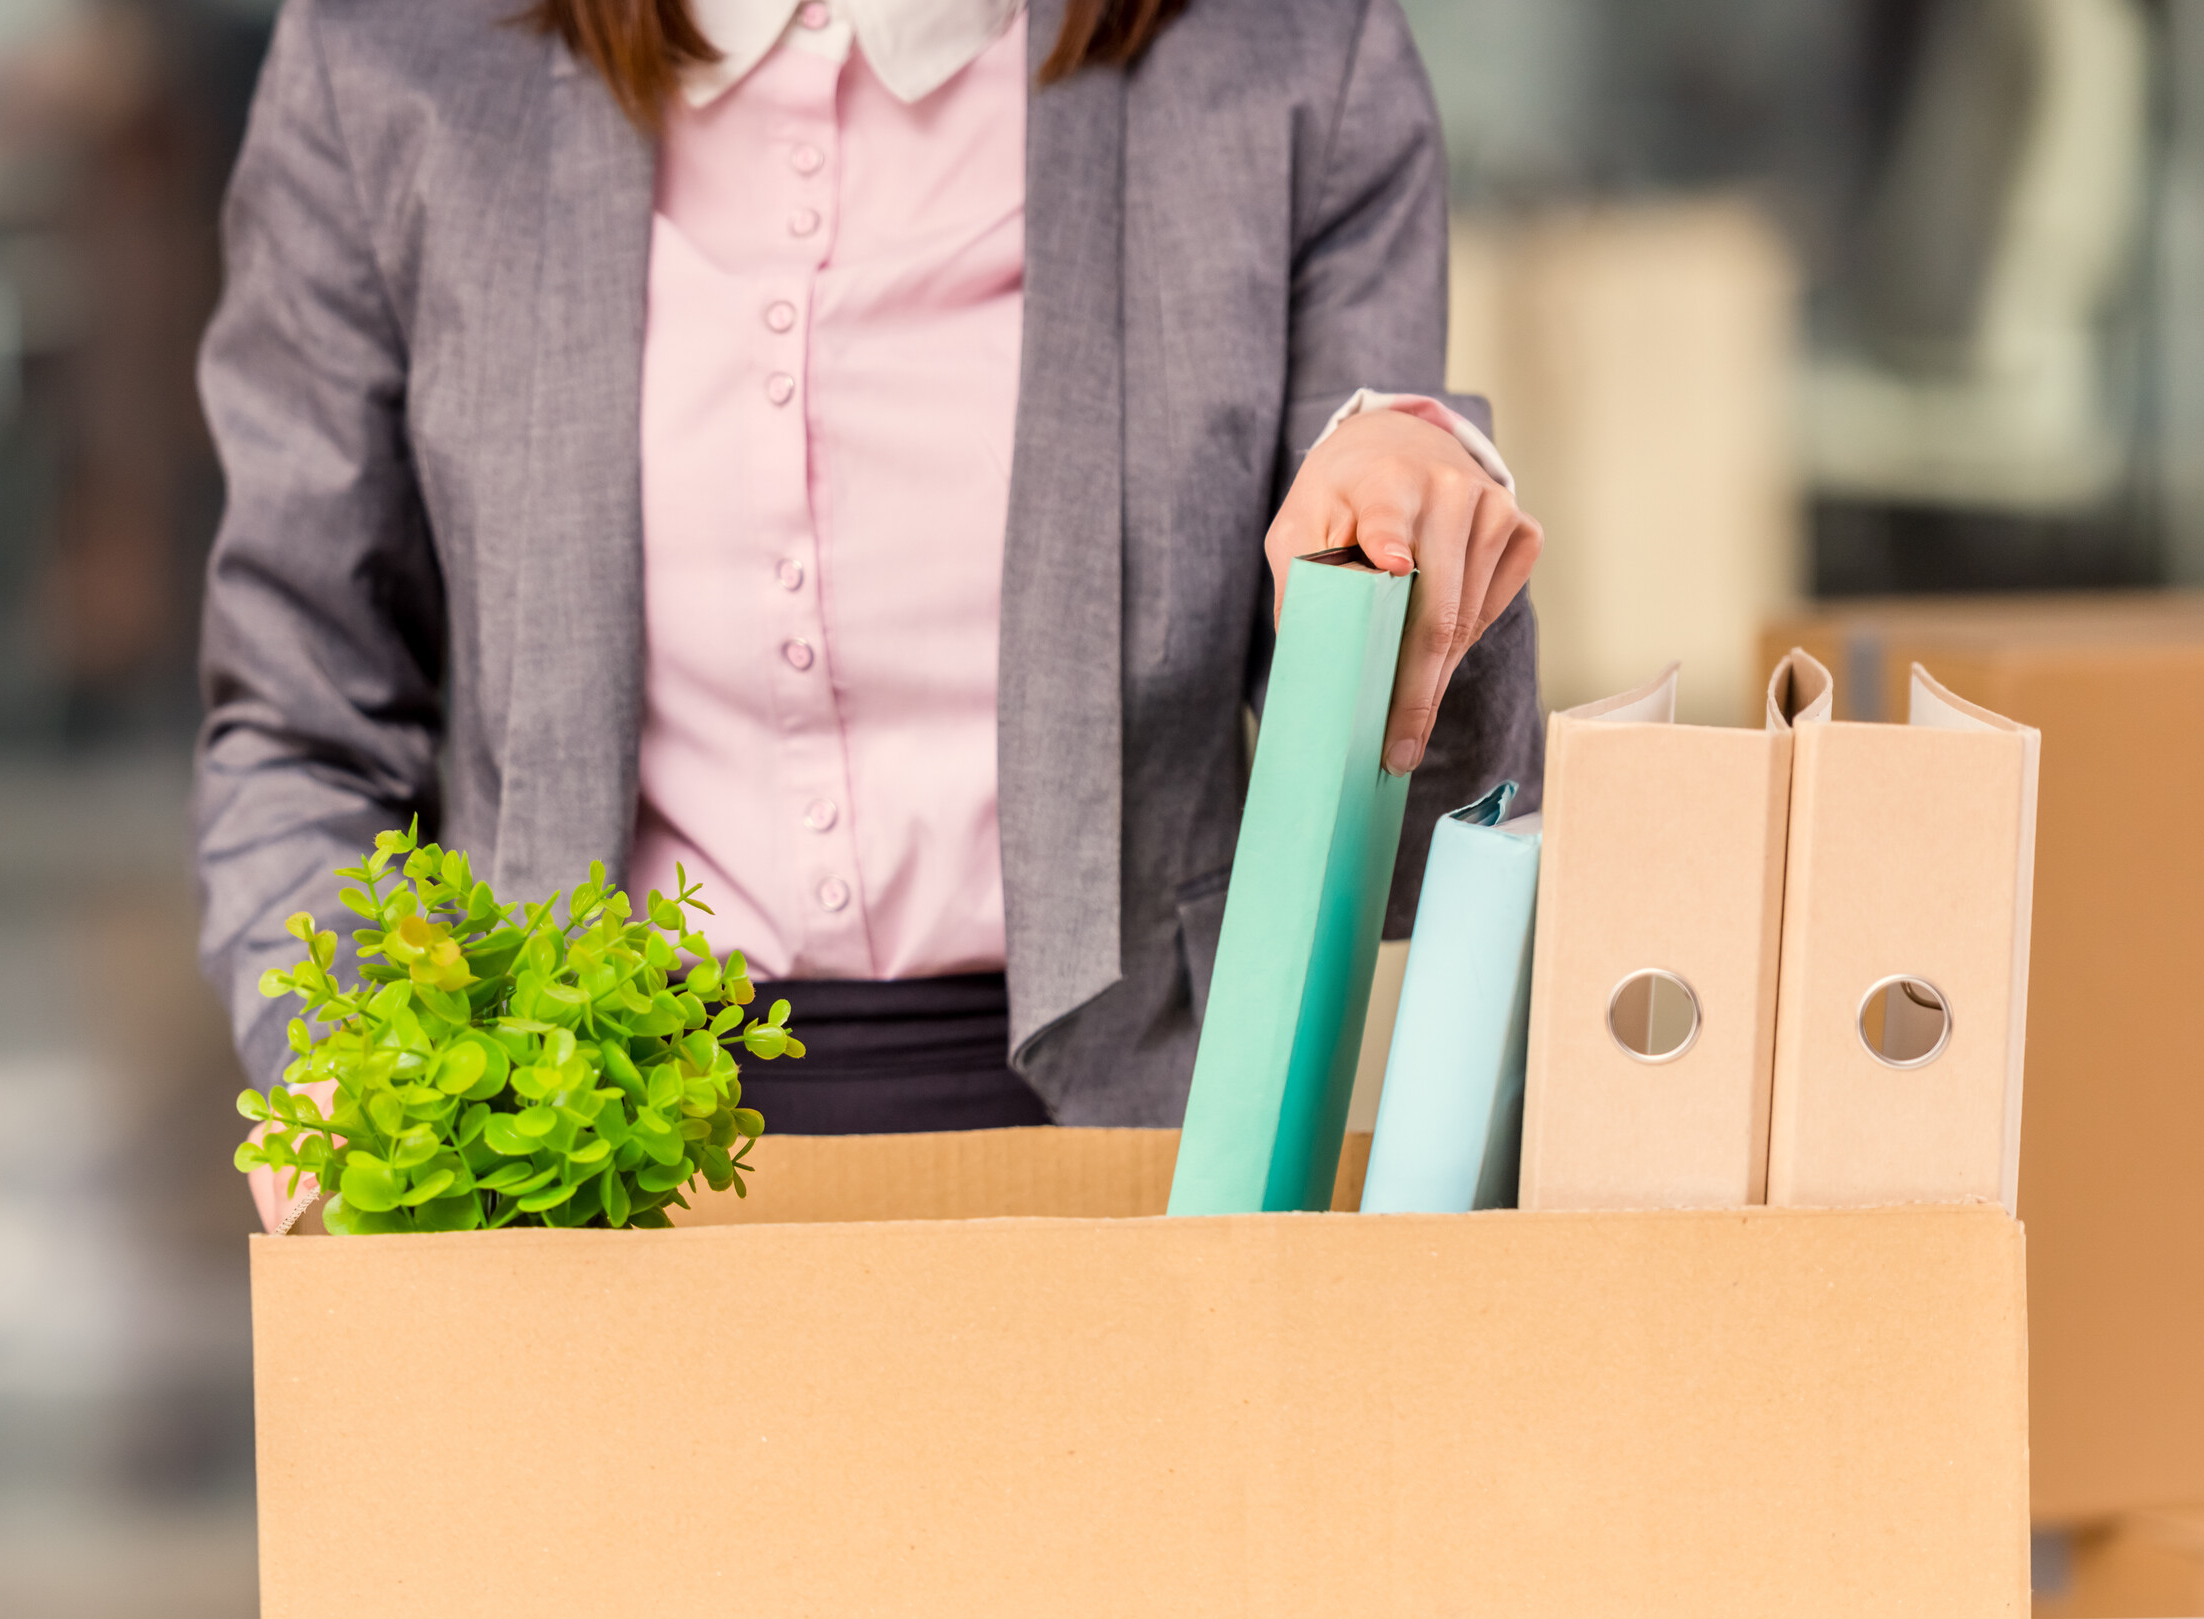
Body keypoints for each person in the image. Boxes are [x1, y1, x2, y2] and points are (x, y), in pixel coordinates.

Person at [196, 0, 1543, 1226]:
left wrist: (1417, 510)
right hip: (567, 1192)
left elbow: (1410, 814)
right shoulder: (385, 59)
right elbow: (300, 721)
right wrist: (368, 1111)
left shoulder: (1294, 55)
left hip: (1149, 1177)